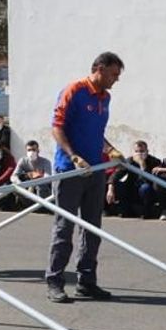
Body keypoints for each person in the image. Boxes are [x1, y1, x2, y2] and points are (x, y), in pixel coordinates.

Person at [45, 51, 123, 303]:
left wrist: (109, 149)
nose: (116, 79)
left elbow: (96, 133)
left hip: (96, 171)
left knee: (92, 228)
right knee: (64, 228)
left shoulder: (105, 98)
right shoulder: (74, 90)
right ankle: (55, 281)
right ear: (99, 69)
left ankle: (86, 282)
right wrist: (74, 156)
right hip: (70, 170)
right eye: (113, 74)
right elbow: (57, 127)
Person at [110, 140, 159, 218]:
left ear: (147, 151)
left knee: (145, 188)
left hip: (147, 190)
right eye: (136, 151)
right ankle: (124, 209)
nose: (139, 154)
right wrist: (110, 188)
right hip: (132, 187)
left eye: (142, 151)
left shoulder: (154, 161)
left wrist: (142, 165)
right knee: (119, 185)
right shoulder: (129, 161)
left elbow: (149, 180)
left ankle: (146, 211)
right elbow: (116, 175)